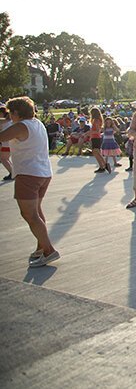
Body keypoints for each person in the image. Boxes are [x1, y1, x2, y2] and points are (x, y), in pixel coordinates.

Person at [0, 97, 59, 267]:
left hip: (28, 174)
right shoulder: (36, 123)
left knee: (29, 214)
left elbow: (2, 136)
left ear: (16, 113)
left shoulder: (20, 126)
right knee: (36, 212)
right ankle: (41, 247)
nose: (9, 116)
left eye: (10, 113)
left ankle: (49, 250)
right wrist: (6, 120)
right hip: (43, 173)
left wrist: (7, 121)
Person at [87, 107, 108, 173]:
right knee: (96, 152)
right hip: (94, 137)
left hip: (96, 137)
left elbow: (97, 131)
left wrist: (89, 132)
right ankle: (102, 165)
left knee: (96, 152)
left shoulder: (96, 120)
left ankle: (104, 164)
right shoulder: (96, 120)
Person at [0, 105, 14, 180]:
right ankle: (13, 172)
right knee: (6, 158)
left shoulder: (3, 121)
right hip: (10, 142)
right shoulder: (10, 120)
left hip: (6, 142)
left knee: (3, 159)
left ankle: (12, 173)